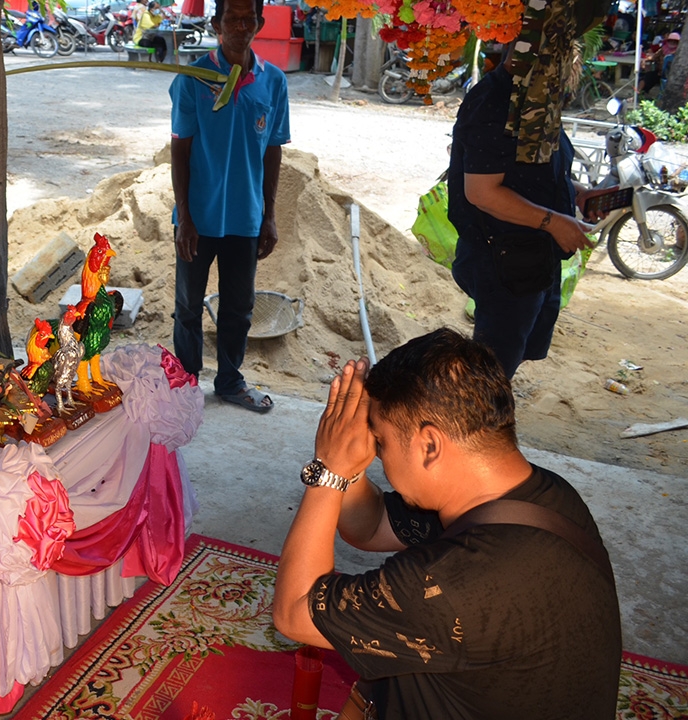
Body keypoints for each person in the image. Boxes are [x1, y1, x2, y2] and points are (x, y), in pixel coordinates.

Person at [273, 328, 622, 719]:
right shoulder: (543, 495)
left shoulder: (447, 584)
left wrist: (328, 469)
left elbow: (292, 613)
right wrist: (348, 463)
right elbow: (369, 527)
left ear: (430, 445)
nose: (380, 459)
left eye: (382, 444)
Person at [169, 0, 288, 413]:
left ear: (259, 23)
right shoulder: (193, 79)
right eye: (232, 19)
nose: (241, 26)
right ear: (216, 24)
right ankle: (185, 384)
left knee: (238, 308)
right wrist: (184, 216)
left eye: (248, 19)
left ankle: (229, 382)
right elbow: (179, 149)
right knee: (187, 306)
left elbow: (272, 150)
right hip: (197, 218)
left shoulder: (272, 81)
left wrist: (269, 215)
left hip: (245, 217)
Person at [446, 56, 595, 379]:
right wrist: (555, 221)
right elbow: (483, 192)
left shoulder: (536, 95)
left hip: (531, 253)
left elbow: (532, 174)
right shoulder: (496, 101)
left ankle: (481, 421)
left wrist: (577, 193)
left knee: (506, 359)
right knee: (491, 370)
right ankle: (472, 427)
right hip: (502, 256)